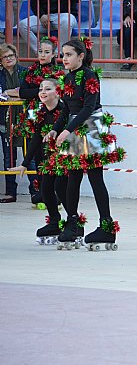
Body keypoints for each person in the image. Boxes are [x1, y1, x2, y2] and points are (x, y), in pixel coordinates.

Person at [48, 38, 126, 249]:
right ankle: (72, 222)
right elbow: (66, 108)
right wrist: (56, 128)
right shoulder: (67, 78)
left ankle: (107, 226)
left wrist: (67, 130)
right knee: (73, 177)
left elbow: (88, 107)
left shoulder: (90, 76)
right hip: (74, 125)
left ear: (81, 56)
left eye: (69, 54)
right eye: (63, 55)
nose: (64, 58)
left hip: (90, 126)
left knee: (95, 178)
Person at [8, 78, 69, 243]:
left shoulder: (63, 110)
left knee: (61, 188)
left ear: (57, 92)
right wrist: (24, 164)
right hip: (49, 158)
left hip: (65, 157)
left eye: (48, 89)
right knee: (46, 187)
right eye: (41, 88)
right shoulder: (42, 113)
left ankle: (73, 222)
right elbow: (35, 139)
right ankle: (55, 221)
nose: (42, 92)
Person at [0, 44, 28, 204]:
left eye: (11, 55)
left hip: (25, 121)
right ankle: (11, 193)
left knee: (29, 157)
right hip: (5, 120)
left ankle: (36, 191)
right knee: (8, 158)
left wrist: (9, 94)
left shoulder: (25, 72)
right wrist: (16, 94)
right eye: (5, 57)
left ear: (16, 56)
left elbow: (27, 93)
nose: (9, 58)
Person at [17, 0, 82, 56]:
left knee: (67, 20)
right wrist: (41, 15)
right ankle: (41, 52)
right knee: (23, 25)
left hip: (64, 15)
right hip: (44, 16)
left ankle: (59, 53)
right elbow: (34, 2)